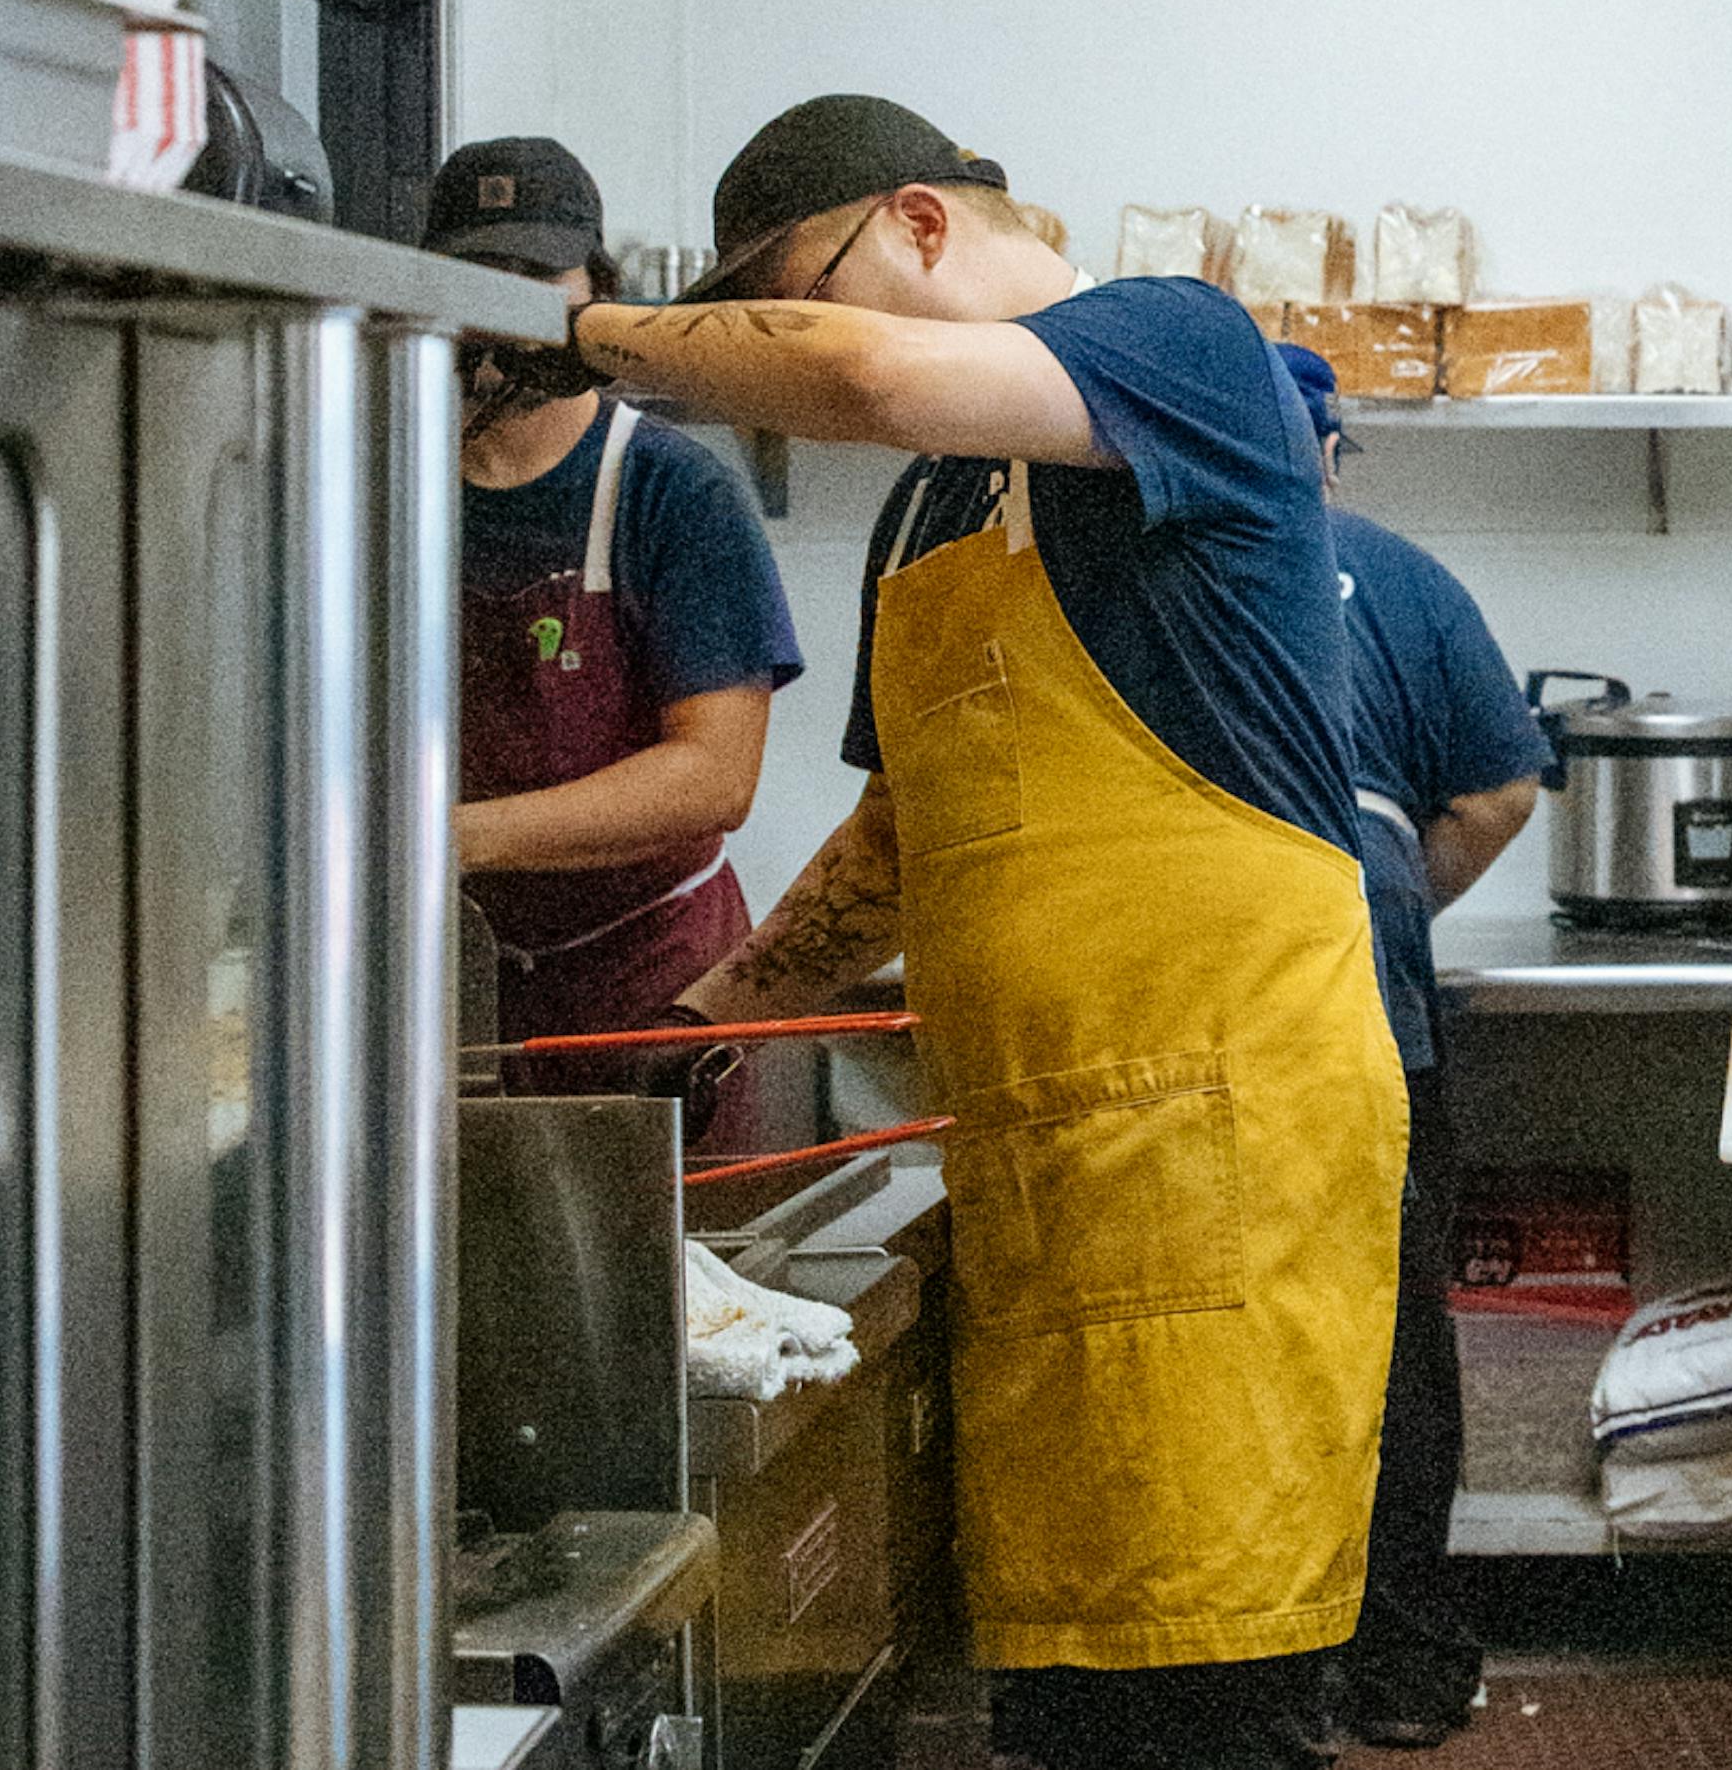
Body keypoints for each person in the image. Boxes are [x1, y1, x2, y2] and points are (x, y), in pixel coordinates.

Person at [560, 97, 1405, 1770]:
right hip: (1042, 1172)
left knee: (1211, 1709)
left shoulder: (1173, 343)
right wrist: (718, 1003)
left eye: (795, 295)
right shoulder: (935, 505)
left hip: (1221, 1157)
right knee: (1073, 1710)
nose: (784, 352)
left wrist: (568, 331)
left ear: (923, 223)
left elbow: (862, 372)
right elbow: (901, 826)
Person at [1276, 343, 1549, 1751]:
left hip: (1192, 1018)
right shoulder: (1393, 570)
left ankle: (1248, 1673)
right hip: (1367, 1012)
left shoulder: (1145, 563)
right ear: (1328, 451)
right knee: (1389, 1339)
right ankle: (1406, 1665)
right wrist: (1392, 904)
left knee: (1237, 1344)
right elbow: (1502, 786)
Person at [426, 136, 800, 1053]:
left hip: (650, 985)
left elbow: (713, 776)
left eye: (532, 277)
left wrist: (453, 837)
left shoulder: (672, 491)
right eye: (474, 279)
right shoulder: (388, 485)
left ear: (597, 293)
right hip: (446, 983)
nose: (498, 312)